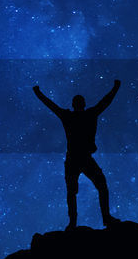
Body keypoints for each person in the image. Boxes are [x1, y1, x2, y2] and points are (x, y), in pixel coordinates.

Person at [33, 79, 122, 229]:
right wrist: (38, 94)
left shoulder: (77, 115)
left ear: (76, 104)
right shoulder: (83, 115)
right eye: (78, 101)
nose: (79, 103)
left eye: (79, 101)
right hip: (77, 159)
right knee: (76, 190)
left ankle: (95, 219)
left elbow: (105, 102)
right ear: (79, 104)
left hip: (80, 158)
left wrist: (115, 88)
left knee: (91, 187)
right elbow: (105, 102)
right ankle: (78, 221)